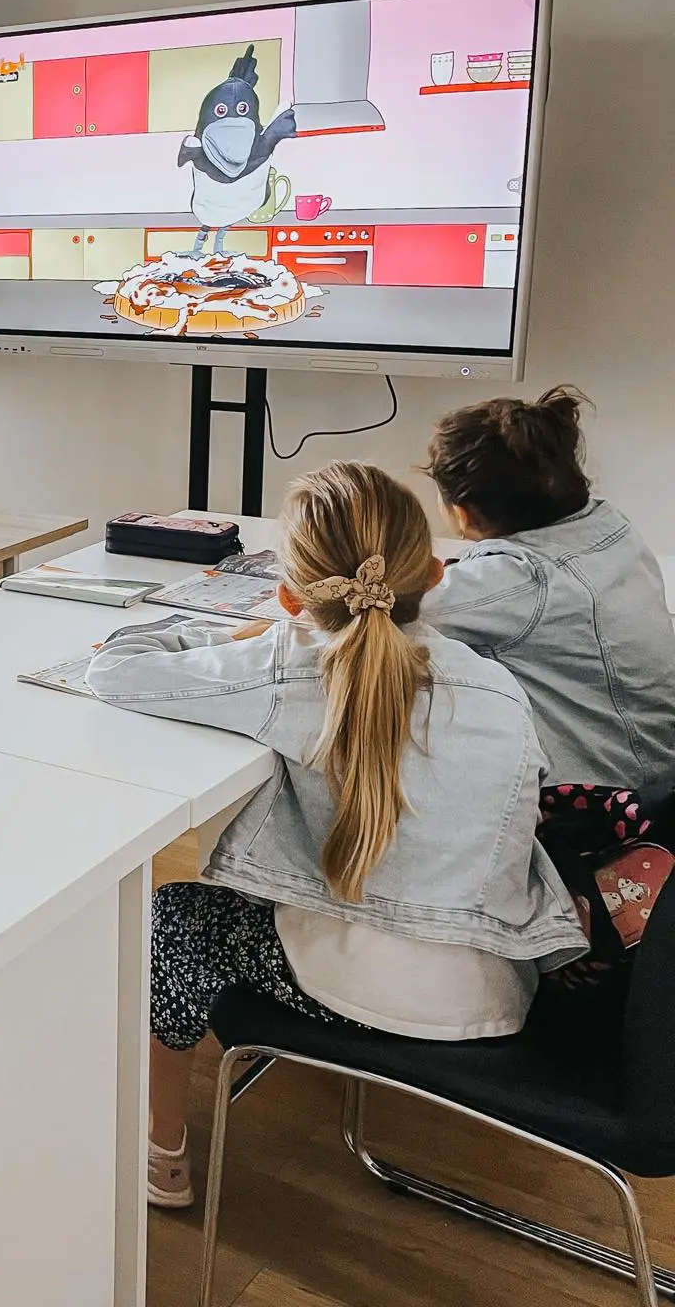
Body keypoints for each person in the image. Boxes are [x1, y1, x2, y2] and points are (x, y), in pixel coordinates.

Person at [86, 462, 586, 1210]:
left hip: (363, 993)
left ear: (290, 597)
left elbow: (116, 673)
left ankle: (160, 1151)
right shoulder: (497, 686)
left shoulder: (290, 667)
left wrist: (237, 627)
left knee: (176, 918)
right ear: (435, 574)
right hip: (498, 988)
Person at [421, 386, 675, 794]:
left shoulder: (521, 579)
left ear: (461, 513)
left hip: (611, 801)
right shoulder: (611, 526)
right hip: (661, 767)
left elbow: (380, 607)